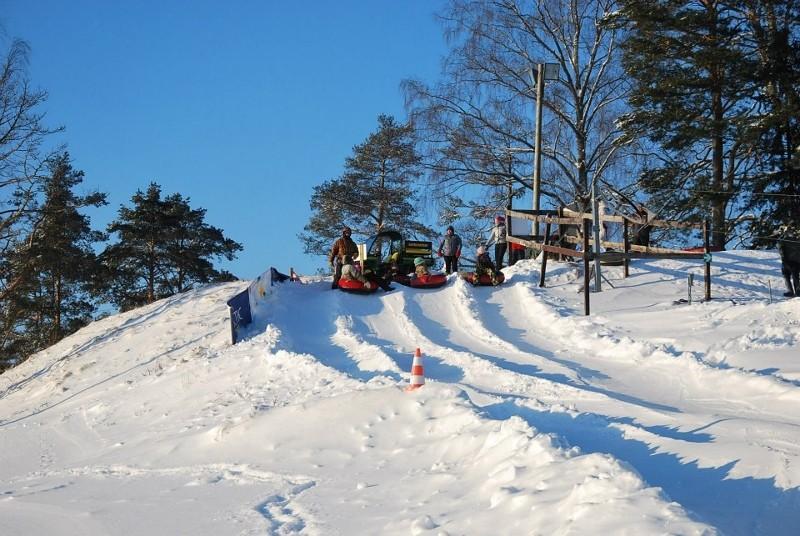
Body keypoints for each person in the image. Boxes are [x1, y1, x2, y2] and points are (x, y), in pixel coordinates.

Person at [777, 226, 800, 297]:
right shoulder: (796, 240)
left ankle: (796, 291)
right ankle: (793, 291)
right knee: (788, 275)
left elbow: (780, 246)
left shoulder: (784, 240)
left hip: (791, 261)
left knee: (791, 275)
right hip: (792, 261)